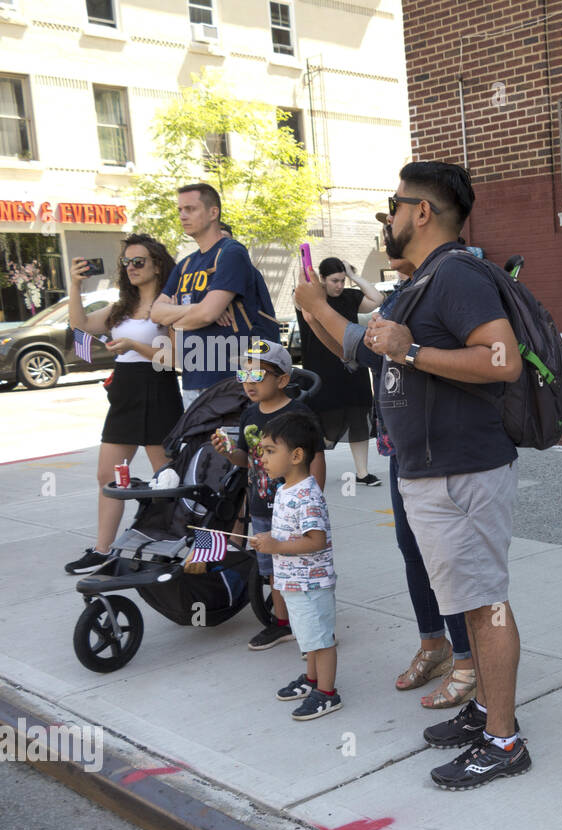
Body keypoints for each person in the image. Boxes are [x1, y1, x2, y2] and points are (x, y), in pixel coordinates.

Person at [363, 161, 528, 789]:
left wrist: (408, 350)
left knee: (485, 604)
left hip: (464, 470)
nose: (389, 218)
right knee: (469, 599)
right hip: (437, 471)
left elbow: (502, 360)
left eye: (393, 205)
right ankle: (486, 709)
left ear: (421, 211)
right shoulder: (426, 278)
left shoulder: (456, 273)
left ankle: (504, 741)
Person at [293, 227, 477, 706]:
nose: (386, 232)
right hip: (401, 449)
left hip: (440, 450)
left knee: (444, 558)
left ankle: (468, 660)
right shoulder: (401, 297)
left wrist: (319, 307)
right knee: (412, 548)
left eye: (393, 220)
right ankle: (433, 643)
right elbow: (351, 348)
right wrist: (313, 311)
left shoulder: (446, 287)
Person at [64, 235, 182, 574]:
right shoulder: (121, 307)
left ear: (157, 264)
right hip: (125, 392)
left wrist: (133, 344)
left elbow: (173, 359)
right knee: (108, 476)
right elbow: (81, 328)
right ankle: (102, 550)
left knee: (167, 478)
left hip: (158, 389)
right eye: (127, 262)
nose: (131, 268)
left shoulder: (167, 305)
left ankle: (171, 542)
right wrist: (75, 285)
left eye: (138, 261)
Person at [211, 340, 325, 650]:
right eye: (243, 375)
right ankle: (282, 624)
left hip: (294, 509)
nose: (249, 383)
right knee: (274, 570)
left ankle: (314, 622)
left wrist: (313, 502)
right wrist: (230, 452)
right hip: (263, 507)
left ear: (283, 380)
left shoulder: (298, 413)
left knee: (302, 565)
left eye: (258, 376)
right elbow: (247, 461)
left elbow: (316, 459)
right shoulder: (249, 415)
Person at [248, 410, 341, 721]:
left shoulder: (308, 495)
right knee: (308, 639)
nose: (263, 458)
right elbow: (290, 535)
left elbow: (316, 540)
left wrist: (277, 546)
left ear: (297, 455)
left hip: (311, 584)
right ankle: (312, 680)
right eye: (262, 451)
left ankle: (327, 693)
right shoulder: (285, 489)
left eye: (271, 451)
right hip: (294, 582)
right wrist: (268, 540)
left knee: (320, 640)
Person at [150, 183, 279, 407]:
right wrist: (197, 309)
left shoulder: (231, 252)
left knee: (233, 442)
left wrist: (186, 315)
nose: (183, 215)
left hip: (233, 380)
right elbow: (156, 313)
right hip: (193, 379)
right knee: (198, 443)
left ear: (213, 212)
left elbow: (207, 314)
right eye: (180, 210)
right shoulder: (185, 264)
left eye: (190, 209)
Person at [297, 256, 382, 487]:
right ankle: (309, 471)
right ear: (322, 279)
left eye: (342, 280)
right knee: (323, 423)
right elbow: (300, 287)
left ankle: (363, 473)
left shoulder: (350, 297)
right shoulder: (310, 300)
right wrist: (305, 269)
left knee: (358, 420)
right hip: (321, 371)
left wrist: (354, 276)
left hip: (352, 369)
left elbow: (376, 298)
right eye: (334, 281)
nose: (339, 286)